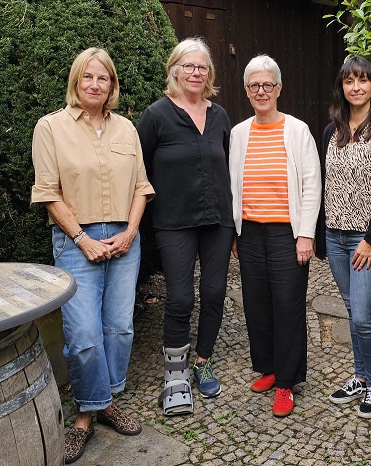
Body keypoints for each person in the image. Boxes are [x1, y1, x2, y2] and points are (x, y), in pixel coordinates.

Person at [31, 47, 155, 464]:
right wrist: (82, 238)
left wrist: (131, 231)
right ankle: (88, 411)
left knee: (119, 328)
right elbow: (48, 193)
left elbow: (141, 186)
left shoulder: (126, 130)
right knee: (83, 336)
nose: (95, 85)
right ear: (76, 82)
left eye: (103, 79)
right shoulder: (50, 128)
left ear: (112, 85)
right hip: (75, 240)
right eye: (88, 78)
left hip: (124, 237)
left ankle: (104, 402)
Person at [136, 37, 233, 416]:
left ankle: (202, 360)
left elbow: (230, 167)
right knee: (179, 297)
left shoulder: (220, 116)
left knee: (213, 293)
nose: (196, 72)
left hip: (218, 222)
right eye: (189, 66)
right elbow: (139, 171)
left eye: (203, 67)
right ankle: (175, 374)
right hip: (174, 223)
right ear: (174, 70)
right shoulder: (156, 115)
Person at [229, 55, 321, 417]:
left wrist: (305, 234)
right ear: (247, 91)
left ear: (279, 88)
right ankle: (267, 369)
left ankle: (286, 382)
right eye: (255, 86)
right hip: (250, 232)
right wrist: (236, 231)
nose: (262, 91)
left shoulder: (297, 130)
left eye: (268, 85)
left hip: (287, 232)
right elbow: (234, 184)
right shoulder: (239, 132)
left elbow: (312, 185)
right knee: (256, 303)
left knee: (287, 305)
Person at [315, 56, 371, 418]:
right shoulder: (330, 130)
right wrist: (321, 233)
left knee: (364, 316)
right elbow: (325, 184)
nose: (356, 87)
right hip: (335, 235)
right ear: (341, 86)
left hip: (365, 240)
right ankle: (361, 377)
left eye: (363, 80)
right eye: (349, 81)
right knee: (353, 313)